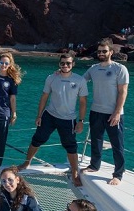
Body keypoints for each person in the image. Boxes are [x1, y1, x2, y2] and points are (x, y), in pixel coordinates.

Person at [17, 53, 88, 186]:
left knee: (71, 146)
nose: (65, 65)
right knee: (37, 139)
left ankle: (74, 172)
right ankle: (27, 162)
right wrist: (39, 116)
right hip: (49, 115)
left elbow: (83, 102)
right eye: (62, 63)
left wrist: (81, 121)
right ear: (59, 64)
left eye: (68, 63)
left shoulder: (80, 80)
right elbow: (44, 97)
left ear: (73, 64)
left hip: (68, 120)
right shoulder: (51, 78)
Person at [82, 38, 129, 185]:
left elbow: (123, 92)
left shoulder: (119, 69)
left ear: (111, 52)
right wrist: (62, 73)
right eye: (99, 51)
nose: (101, 53)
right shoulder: (93, 69)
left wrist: (116, 112)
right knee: (96, 141)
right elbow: (79, 81)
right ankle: (95, 165)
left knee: (117, 144)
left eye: (104, 51)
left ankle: (118, 174)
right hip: (96, 111)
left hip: (114, 113)